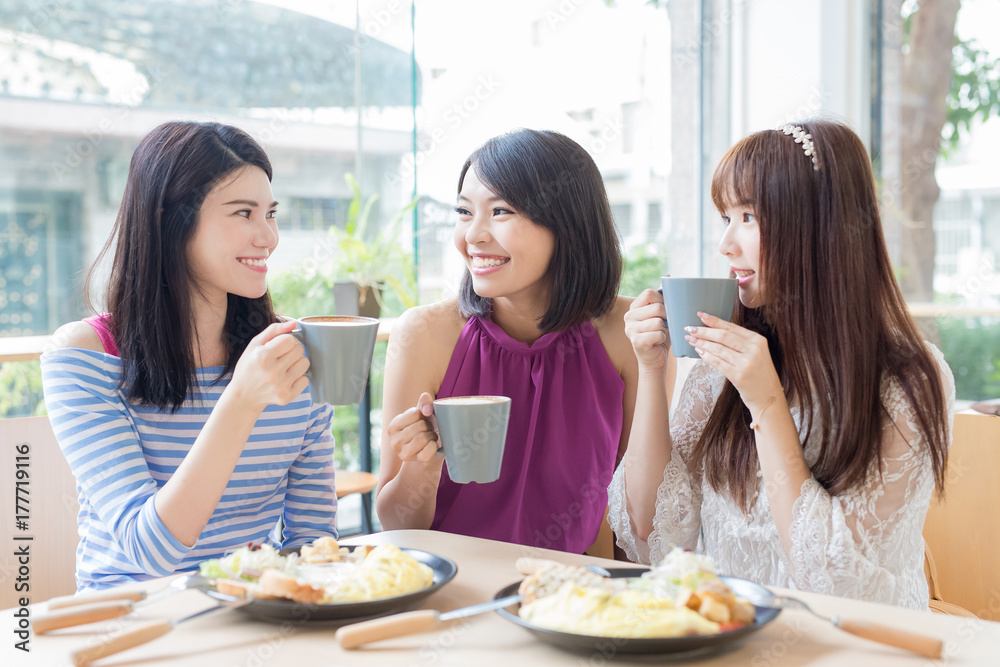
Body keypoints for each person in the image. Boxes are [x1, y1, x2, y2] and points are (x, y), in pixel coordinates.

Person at [610, 120, 954, 609]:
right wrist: (649, 368)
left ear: (820, 227)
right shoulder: (723, 367)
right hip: (736, 643)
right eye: (725, 217)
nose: (727, 244)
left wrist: (767, 402)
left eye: (747, 216)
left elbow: (834, 586)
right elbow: (647, 536)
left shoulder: (909, 382)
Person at [41, 121, 337, 591]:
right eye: (243, 213)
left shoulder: (289, 354)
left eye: (270, 213)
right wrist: (241, 401)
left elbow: (314, 543)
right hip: (127, 625)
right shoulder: (84, 357)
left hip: (252, 619)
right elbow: (153, 550)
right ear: (170, 220)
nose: (268, 237)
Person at [376, 129, 643, 554]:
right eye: (464, 212)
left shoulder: (628, 332)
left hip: (574, 598)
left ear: (568, 222)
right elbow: (396, 526)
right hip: (454, 593)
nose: (474, 236)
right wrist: (422, 465)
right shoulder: (424, 335)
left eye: (500, 211)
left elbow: (640, 517)